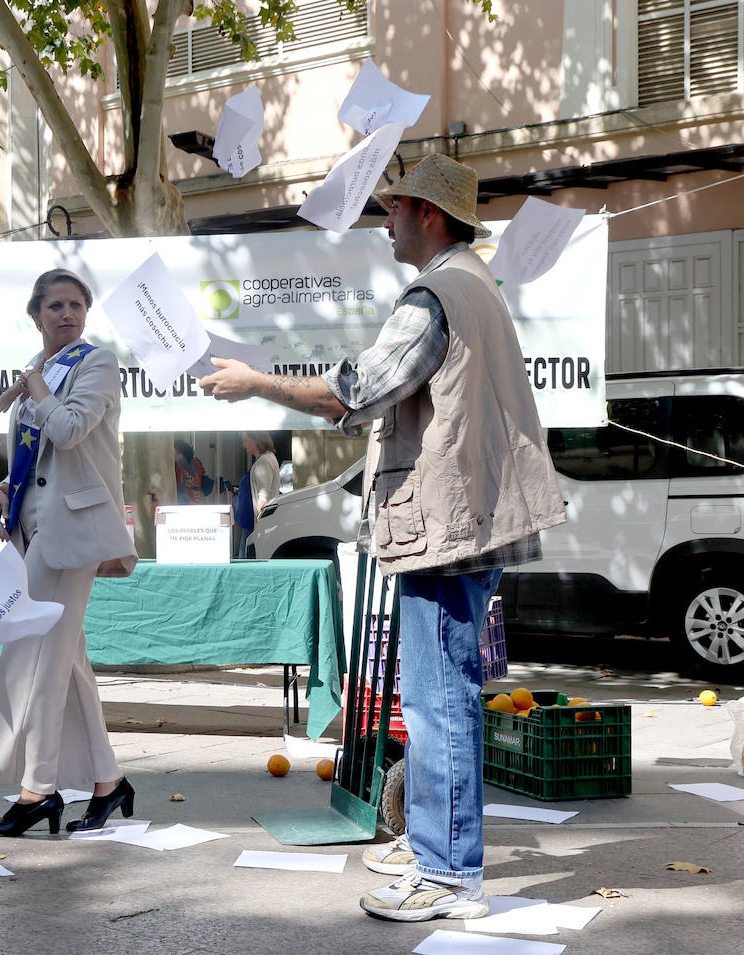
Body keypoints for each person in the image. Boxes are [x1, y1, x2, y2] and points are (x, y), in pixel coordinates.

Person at [202, 154, 566, 922]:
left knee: (438, 700)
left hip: (448, 525)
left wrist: (256, 384)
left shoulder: (436, 293)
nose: (385, 222)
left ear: (428, 214)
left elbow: (356, 391)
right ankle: (435, 846)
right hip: (461, 520)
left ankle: (447, 871)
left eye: (393, 209)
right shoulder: (472, 284)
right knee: (436, 694)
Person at [0, 268, 138, 837]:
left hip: (72, 532)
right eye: (56, 306)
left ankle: (38, 789)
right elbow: (34, 459)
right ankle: (107, 782)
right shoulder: (40, 371)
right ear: (36, 314)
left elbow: (71, 430)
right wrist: (4, 489)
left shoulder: (94, 364)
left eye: (76, 305)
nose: (67, 314)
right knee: (67, 663)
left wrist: (38, 390)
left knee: (39, 661)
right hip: (33, 529)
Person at [232, 431, 279, 558]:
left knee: (245, 559)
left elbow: (263, 494)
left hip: (253, 523)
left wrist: (260, 522)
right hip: (249, 522)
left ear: (256, 441)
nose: (243, 444)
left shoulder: (264, 461)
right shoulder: (263, 459)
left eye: (246, 440)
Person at [173, 439, 207, 504]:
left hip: (187, 501)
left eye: (173, 451)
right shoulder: (195, 462)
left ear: (179, 452)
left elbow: (181, 488)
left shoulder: (179, 464)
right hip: (198, 499)